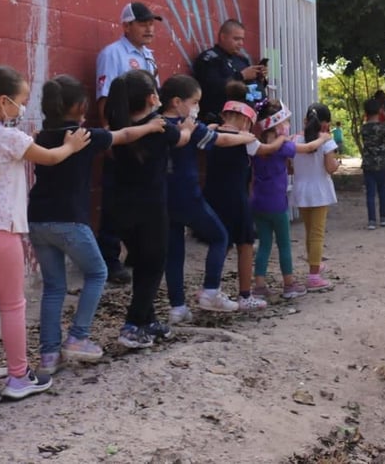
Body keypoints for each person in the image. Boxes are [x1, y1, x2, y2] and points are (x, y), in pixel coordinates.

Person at [0, 65, 91, 414]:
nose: (24, 107)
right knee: (12, 306)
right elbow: (52, 158)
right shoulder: (9, 139)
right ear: (3, 101)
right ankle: (18, 376)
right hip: (0, 233)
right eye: (22, 101)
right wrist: (71, 145)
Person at [27, 75, 164, 374]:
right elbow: (125, 135)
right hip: (69, 221)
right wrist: (152, 126)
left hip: (36, 220)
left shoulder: (39, 137)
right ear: (79, 106)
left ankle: (49, 355)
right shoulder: (84, 135)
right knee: (99, 271)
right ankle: (78, 337)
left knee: (53, 287)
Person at [160, 75, 260, 325]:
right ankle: (211, 291)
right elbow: (222, 140)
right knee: (220, 236)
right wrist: (246, 138)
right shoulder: (188, 126)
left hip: (163, 198)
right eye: (194, 102)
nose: (197, 108)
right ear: (177, 102)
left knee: (174, 254)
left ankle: (178, 307)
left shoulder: (157, 123)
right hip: (188, 195)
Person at [105, 70, 192, 349]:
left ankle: (148, 321)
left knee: (142, 263)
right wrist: (189, 125)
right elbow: (181, 139)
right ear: (152, 97)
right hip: (151, 210)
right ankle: (131, 325)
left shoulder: (119, 130)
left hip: (122, 209)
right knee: (154, 266)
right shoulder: (160, 127)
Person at [95, 1, 163, 284]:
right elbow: (104, 97)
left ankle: (136, 251)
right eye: (143, 23)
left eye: (152, 23)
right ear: (126, 26)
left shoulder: (148, 56)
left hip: (145, 134)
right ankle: (109, 258)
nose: (149, 28)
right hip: (123, 136)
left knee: (142, 194)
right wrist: (109, 134)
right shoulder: (113, 54)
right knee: (115, 199)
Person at [203, 83, 280, 313]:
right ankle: (245, 294)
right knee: (245, 244)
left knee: (221, 242)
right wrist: (281, 141)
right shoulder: (246, 139)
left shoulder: (212, 134)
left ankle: (210, 287)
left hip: (213, 196)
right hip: (237, 197)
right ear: (247, 121)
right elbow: (264, 151)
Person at [250, 101, 330, 299]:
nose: (287, 125)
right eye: (285, 121)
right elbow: (309, 147)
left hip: (258, 203)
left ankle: (259, 285)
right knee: (284, 244)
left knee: (265, 244)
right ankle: (288, 284)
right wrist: (324, 138)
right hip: (277, 204)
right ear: (276, 125)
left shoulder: (256, 146)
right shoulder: (283, 146)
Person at [290, 103, 340, 292]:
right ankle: (313, 275)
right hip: (319, 191)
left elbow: (291, 167)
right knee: (317, 234)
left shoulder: (295, 139)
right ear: (325, 124)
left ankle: (315, 264)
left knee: (310, 231)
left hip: (301, 190)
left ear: (306, 120)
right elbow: (330, 167)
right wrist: (337, 165)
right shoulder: (326, 141)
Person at [192, 19, 267, 123]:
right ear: (223, 37)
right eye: (236, 39)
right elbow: (212, 88)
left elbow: (253, 90)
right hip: (217, 119)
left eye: (242, 39)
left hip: (242, 119)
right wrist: (241, 76)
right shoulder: (209, 59)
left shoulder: (242, 60)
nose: (241, 43)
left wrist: (259, 78)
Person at [360, 98, 385, 229]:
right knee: (382, 191)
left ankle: (372, 220)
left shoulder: (364, 128)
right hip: (383, 163)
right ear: (380, 110)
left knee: (370, 192)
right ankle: (383, 217)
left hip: (368, 163)